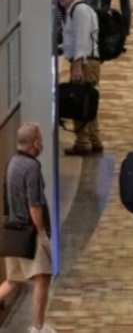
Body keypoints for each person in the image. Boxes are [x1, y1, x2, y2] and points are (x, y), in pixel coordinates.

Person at [0, 123, 54, 333]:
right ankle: (38, 327)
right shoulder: (32, 167)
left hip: (13, 231)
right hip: (30, 233)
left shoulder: (11, 162)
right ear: (35, 143)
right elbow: (34, 203)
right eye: (40, 139)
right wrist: (41, 232)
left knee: (14, 280)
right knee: (43, 278)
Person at [56, 0, 104, 155]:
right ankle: (94, 139)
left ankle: (84, 142)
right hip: (86, 61)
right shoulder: (75, 10)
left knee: (79, 101)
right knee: (87, 101)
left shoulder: (79, 11)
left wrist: (77, 65)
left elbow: (82, 40)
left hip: (84, 62)